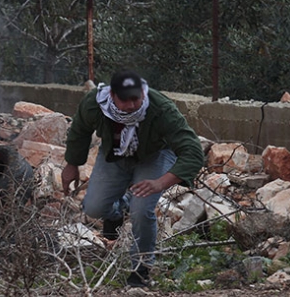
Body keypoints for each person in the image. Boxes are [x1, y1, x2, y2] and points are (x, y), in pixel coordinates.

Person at [61, 69, 204, 287]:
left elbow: (193, 151)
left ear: (143, 94)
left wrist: (160, 183)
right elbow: (79, 130)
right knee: (93, 207)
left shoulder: (160, 108)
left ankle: (141, 269)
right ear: (112, 95)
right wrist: (72, 164)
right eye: (124, 100)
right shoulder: (95, 104)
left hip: (154, 155)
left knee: (142, 209)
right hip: (115, 155)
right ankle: (119, 210)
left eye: (136, 99)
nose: (131, 105)